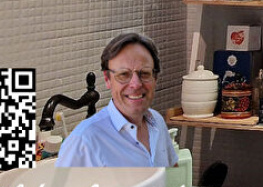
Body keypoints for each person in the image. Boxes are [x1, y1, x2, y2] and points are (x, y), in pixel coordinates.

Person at [56, 31, 179, 168]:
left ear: (155, 78)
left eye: (144, 74)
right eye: (123, 74)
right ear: (107, 79)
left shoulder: (157, 122)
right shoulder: (84, 141)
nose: (136, 84)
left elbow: (172, 173)